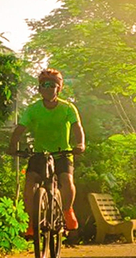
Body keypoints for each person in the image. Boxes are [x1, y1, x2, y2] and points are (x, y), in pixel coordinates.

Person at [8, 68, 85, 236]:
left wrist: (80, 144)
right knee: (30, 182)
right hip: (39, 153)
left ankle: (67, 210)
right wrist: (13, 146)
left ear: (59, 88)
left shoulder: (68, 108)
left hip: (62, 153)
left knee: (66, 179)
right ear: (39, 88)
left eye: (53, 85)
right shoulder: (33, 109)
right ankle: (31, 221)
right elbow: (20, 128)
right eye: (44, 85)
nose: (48, 88)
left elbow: (77, 128)